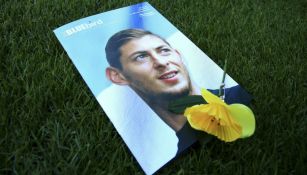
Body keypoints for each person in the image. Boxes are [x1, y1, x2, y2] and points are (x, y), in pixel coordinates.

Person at [105, 29, 252, 153]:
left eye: (164, 51)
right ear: (117, 76)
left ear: (178, 55)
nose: (161, 62)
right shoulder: (186, 156)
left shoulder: (239, 95)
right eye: (141, 57)